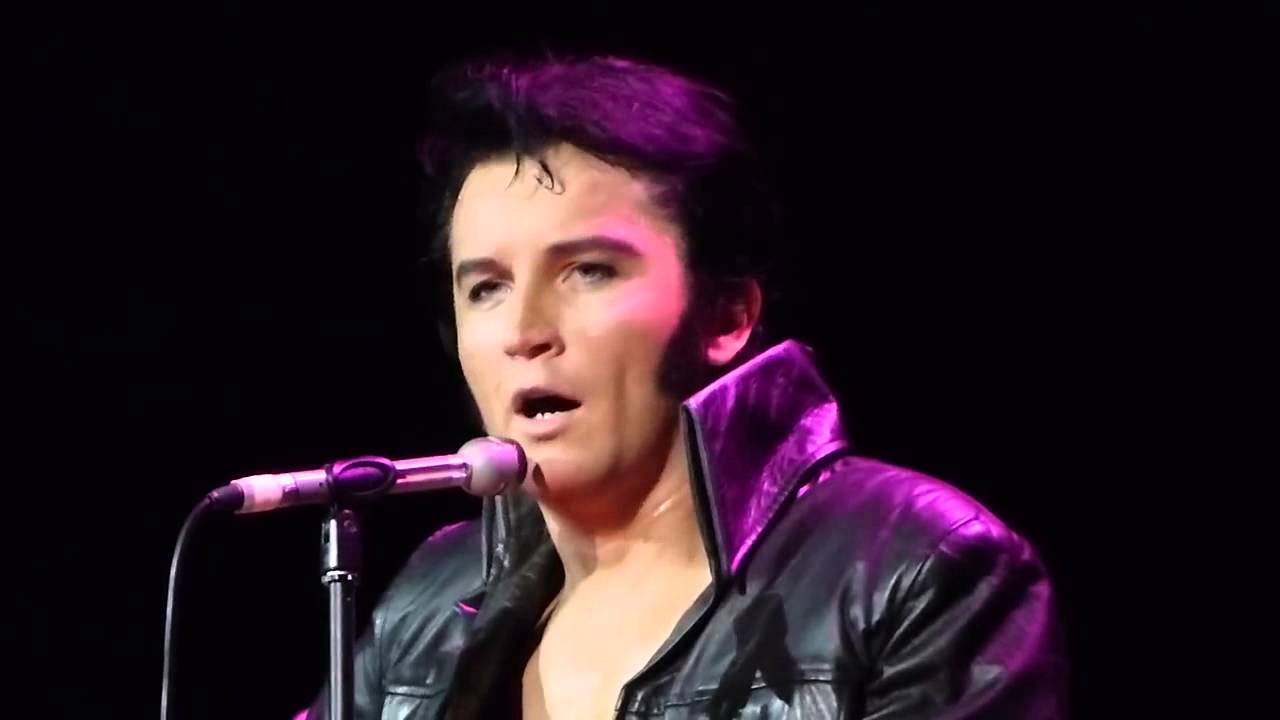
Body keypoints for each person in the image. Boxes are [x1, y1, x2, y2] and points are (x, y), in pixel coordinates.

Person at [301, 52, 1068, 719]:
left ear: (726, 314)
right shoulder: (430, 599)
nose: (524, 330)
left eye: (588, 271)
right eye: (486, 288)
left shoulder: (917, 569)